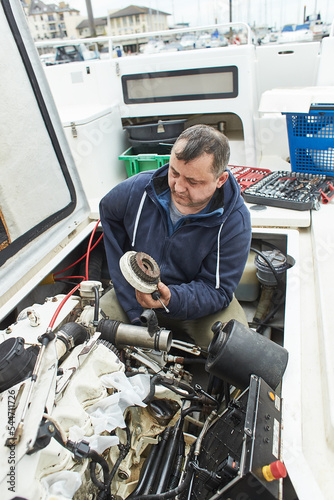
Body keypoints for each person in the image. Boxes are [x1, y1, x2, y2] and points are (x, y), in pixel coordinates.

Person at [99, 124, 251, 350]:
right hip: (133, 295)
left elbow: (216, 290)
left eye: (193, 181)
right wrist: (128, 287)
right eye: (174, 172)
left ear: (220, 180)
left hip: (199, 306)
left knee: (238, 350)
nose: (178, 187)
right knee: (93, 325)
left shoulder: (235, 221)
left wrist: (172, 298)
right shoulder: (137, 189)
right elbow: (108, 210)